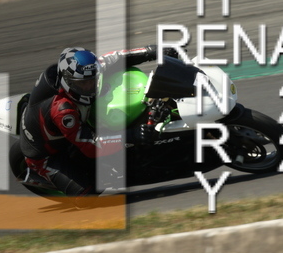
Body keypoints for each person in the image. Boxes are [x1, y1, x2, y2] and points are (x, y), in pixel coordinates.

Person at [18, 45, 170, 200]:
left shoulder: (83, 70)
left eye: (93, 80)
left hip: (67, 127)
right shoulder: (63, 111)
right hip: (46, 154)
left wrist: (153, 51)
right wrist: (131, 135)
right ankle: (40, 175)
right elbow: (91, 144)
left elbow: (117, 57)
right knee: (88, 196)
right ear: (68, 82)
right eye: (82, 84)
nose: (89, 86)